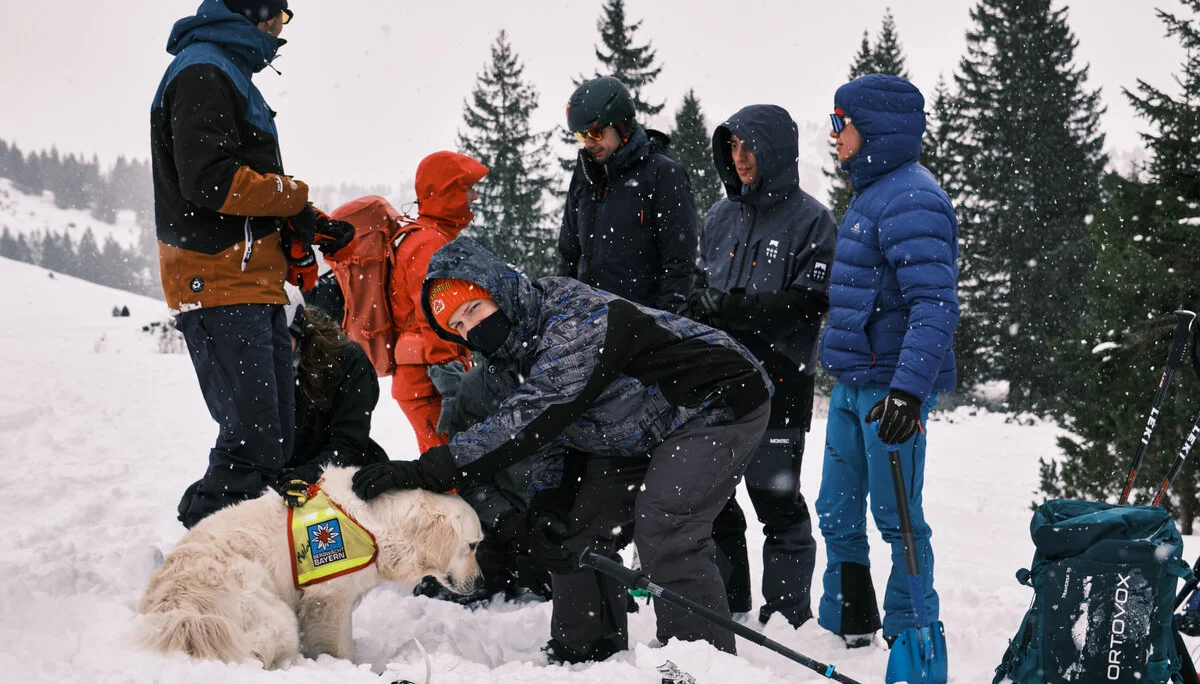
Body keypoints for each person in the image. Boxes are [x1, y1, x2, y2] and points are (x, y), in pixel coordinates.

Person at [350, 237, 772, 663]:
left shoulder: (571, 317)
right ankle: (589, 651)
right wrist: (551, 502)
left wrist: (430, 470)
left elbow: (535, 417)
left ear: (500, 290)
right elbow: (556, 435)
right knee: (571, 525)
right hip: (631, 430)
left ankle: (696, 661)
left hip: (712, 400)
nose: (471, 329)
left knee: (664, 522)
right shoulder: (509, 360)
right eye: (458, 326)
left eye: (474, 309)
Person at [151, 0, 353, 527]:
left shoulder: (229, 72)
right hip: (218, 279)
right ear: (254, 11)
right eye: (280, 16)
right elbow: (210, 181)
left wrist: (304, 218)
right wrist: (292, 194)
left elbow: (237, 186)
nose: (280, 30)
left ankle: (231, 558)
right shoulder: (203, 69)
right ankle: (202, 563)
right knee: (254, 442)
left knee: (274, 440)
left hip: (251, 280)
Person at [815, 73, 960, 649]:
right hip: (855, 382)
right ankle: (850, 618)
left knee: (897, 517)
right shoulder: (872, 193)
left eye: (838, 122)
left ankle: (913, 627)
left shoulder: (913, 196)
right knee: (837, 509)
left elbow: (935, 303)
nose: (832, 135)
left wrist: (907, 391)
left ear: (870, 125)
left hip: (890, 389)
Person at [689, 104, 837, 628]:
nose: (740, 157)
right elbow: (700, 289)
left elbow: (808, 303)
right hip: (718, 383)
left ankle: (788, 618)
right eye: (731, 147)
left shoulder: (813, 220)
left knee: (777, 502)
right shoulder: (719, 217)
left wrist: (731, 310)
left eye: (748, 146)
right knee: (714, 500)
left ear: (775, 152)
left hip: (781, 381)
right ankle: (729, 605)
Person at [177, 303, 389, 520]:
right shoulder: (255, 365)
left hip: (337, 470)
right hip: (278, 472)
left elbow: (348, 444)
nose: (270, 353)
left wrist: (304, 476)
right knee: (197, 505)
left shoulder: (347, 359)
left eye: (276, 342)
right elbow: (248, 437)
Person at [558, 76, 697, 315]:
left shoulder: (663, 175)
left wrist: (666, 328)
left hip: (642, 326)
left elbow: (679, 265)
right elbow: (568, 254)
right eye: (582, 136)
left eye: (596, 133)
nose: (589, 143)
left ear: (622, 124)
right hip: (588, 324)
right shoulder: (585, 174)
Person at [387, 151, 487, 453]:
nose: (476, 196)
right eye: (468, 188)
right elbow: (432, 312)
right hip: (428, 380)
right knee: (451, 472)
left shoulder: (432, 237)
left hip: (426, 374)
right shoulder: (428, 242)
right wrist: (449, 377)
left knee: (453, 468)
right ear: (449, 193)